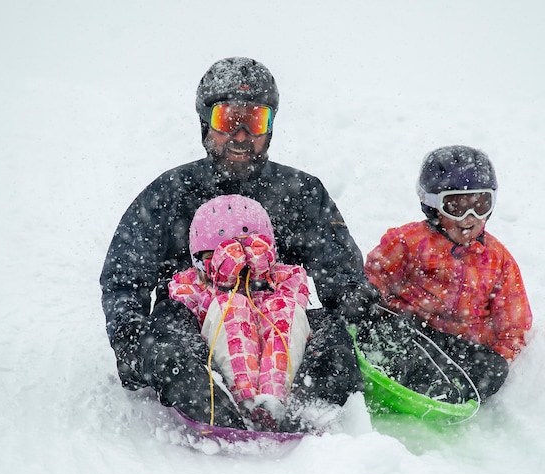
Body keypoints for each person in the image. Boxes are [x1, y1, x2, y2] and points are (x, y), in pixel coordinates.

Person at [100, 57, 378, 430]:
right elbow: (125, 273)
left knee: (332, 336)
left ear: (271, 127)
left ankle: (303, 408)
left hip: (275, 324)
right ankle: (212, 399)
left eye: (255, 121)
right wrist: (130, 333)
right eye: (229, 120)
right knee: (165, 343)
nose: (242, 135)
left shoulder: (300, 194)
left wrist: (350, 296)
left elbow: (338, 265)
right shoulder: (171, 193)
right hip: (193, 324)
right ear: (205, 123)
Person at [360, 145, 532, 403]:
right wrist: (368, 302)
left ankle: (443, 387)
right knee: (389, 328)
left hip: (456, 350)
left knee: (494, 369)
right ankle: (395, 368)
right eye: (457, 206)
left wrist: (497, 357)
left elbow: (513, 324)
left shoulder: (498, 260)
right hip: (408, 330)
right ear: (432, 206)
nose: (470, 217)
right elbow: (374, 277)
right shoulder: (409, 242)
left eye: (480, 205)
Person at [169, 194, 312, 431]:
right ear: (198, 261)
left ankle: (272, 403)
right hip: (220, 370)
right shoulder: (192, 284)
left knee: (284, 309)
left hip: (280, 383)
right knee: (231, 307)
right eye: (215, 256)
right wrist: (224, 285)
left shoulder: (283, 277)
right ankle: (243, 404)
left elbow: (297, 298)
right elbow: (184, 308)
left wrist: (260, 280)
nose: (239, 267)